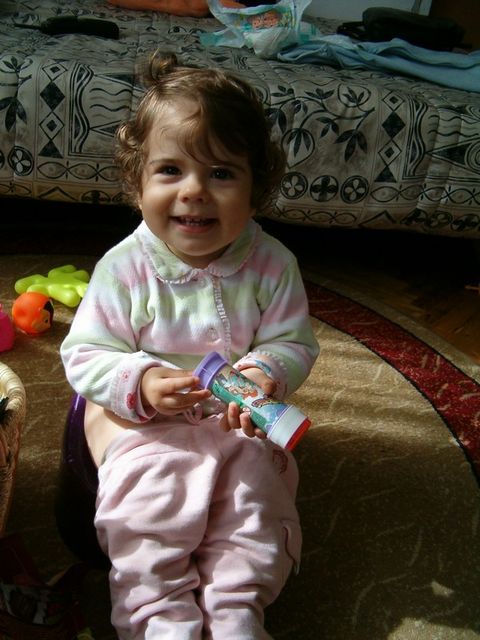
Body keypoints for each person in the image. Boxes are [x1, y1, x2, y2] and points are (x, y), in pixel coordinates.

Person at [60, 51, 319, 640]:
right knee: (148, 513)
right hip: (143, 425)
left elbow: (292, 339)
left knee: (256, 503)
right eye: (170, 170)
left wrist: (265, 371)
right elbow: (86, 352)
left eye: (222, 173)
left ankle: (237, 612)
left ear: (256, 189)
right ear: (138, 184)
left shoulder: (273, 264)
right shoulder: (125, 268)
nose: (195, 191)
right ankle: (158, 618)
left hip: (235, 418)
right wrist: (142, 381)